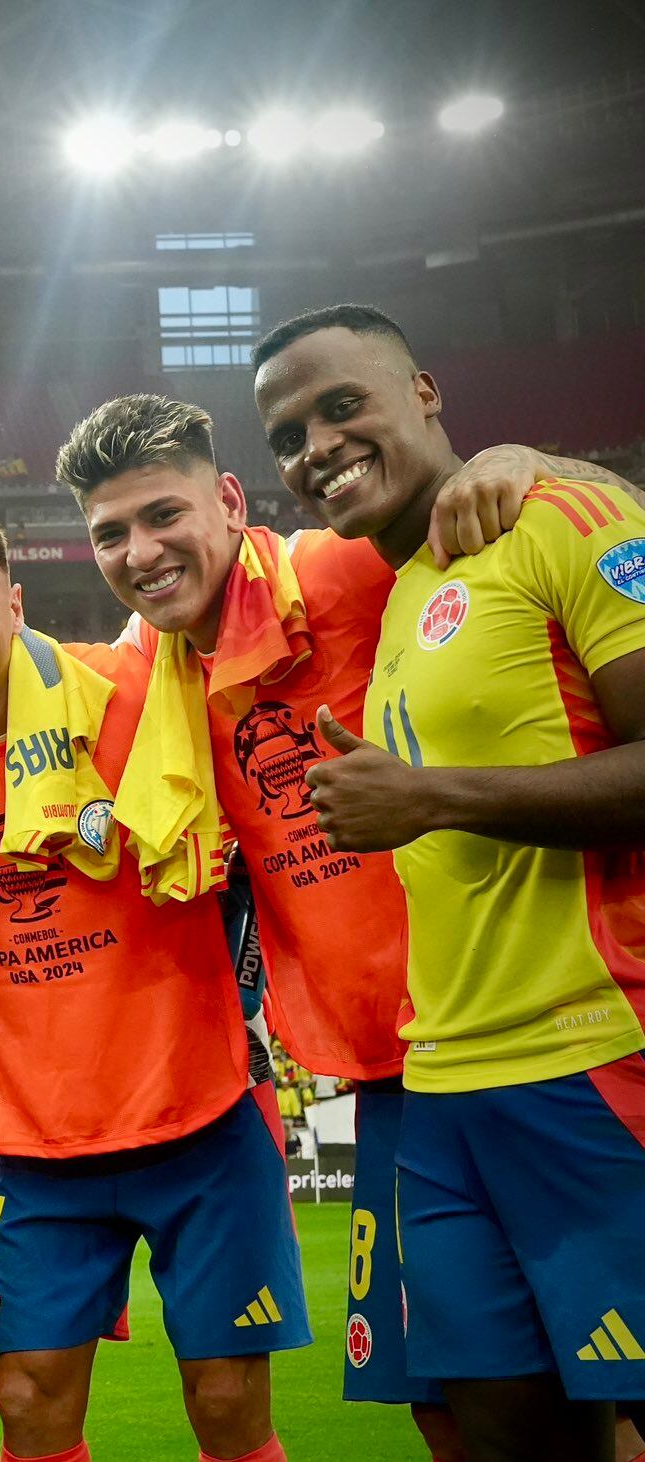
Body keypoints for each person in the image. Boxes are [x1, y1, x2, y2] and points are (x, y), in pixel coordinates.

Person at [57, 388, 635, 1460]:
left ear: (228, 501)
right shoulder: (149, 675)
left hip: (537, 1032)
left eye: (161, 516)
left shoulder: (346, 571)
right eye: (108, 533)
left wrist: (512, 453)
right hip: (391, 1073)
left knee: (607, 1377)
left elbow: (528, 525)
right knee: (453, 1400)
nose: (138, 552)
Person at [251, 303, 645, 1462]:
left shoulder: (562, 514)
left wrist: (432, 798)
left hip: (595, 1056)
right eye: (286, 433)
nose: (314, 444)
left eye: (339, 404)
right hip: (443, 1089)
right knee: (502, 1435)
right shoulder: (405, 592)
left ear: (423, 390)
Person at [0, 494, 304, 1462]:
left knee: (228, 1400)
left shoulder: (133, 692)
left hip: (199, 1117)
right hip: (35, 1144)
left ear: (15, 604)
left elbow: (251, 580)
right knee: (26, 1400)